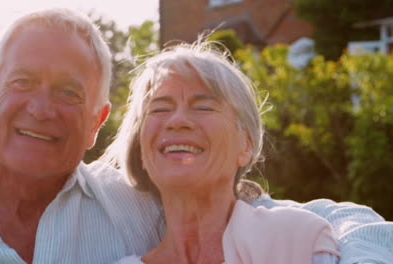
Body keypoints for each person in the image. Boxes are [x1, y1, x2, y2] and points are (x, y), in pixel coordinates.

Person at [0, 7, 391, 264]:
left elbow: (334, 219)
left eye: (69, 92)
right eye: (22, 82)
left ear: (95, 122)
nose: (42, 108)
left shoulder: (133, 202)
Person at [102, 42, 341, 263]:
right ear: (142, 152)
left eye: (203, 107)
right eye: (160, 109)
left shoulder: (298, 241)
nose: (177, 120)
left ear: (246, 145)